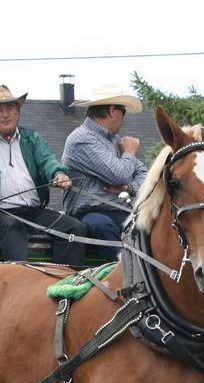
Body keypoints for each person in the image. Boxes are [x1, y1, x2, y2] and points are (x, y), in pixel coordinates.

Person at [0, 85, 86, 265]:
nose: (6, 114)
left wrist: (58, 174)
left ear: (18, 112)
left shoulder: (32, 139)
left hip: (33, 211)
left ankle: (64, 284)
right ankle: (21, 285)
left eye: (11, 108)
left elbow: (47, 161)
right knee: (12, 226)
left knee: (75, 227)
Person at [62, 85, 148, 260]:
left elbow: (144, 174)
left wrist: (128, 187)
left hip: (121, 211)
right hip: (88, 214)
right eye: (123, 111)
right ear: (111, 111)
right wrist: (130, 152)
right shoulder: (82, 139)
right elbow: (119, 174)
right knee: (101, 225)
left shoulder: (114, 141)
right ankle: (124, 274)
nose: (124, 118)